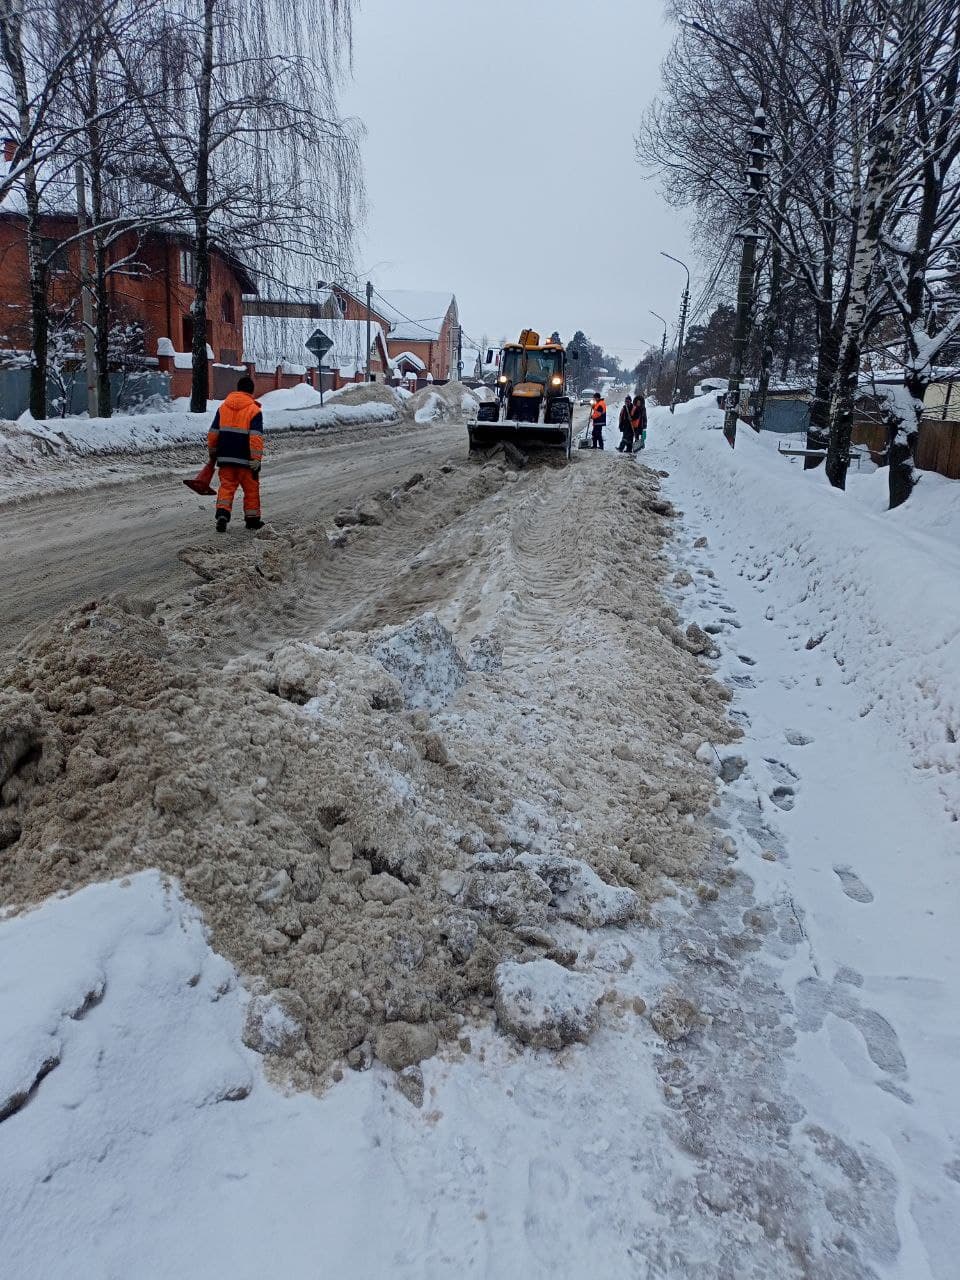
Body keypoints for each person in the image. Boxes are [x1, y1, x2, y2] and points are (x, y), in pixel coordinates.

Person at [207, 375, 265, 532]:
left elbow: (213, 433)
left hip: (225, 457)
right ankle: (252, 520)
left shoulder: (223, 408)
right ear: (251, 391)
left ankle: (222, 514)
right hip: (246, 460)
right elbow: (255, 437)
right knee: (251, 489)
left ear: (238, 389)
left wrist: (213, 451)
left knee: (226, 487)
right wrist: (256, 458)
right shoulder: (254, 410)